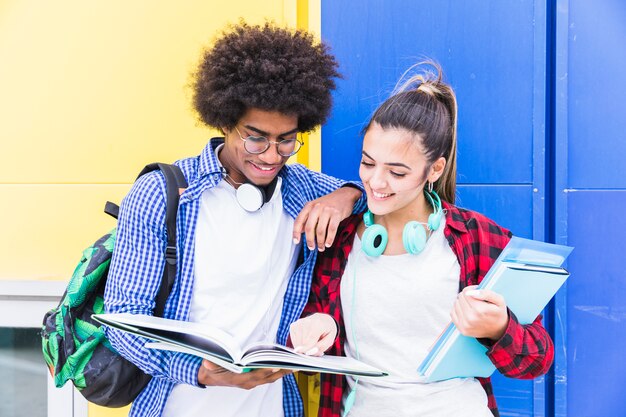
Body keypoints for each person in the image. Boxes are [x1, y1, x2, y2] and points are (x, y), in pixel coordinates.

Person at [104, 22, 366, 417]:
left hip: (274, 406)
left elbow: (373, 196)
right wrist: (204, 372)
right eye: (255, 137)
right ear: (225, 120)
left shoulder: (303, 189)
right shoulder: (163, 194)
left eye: (287, 140)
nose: (271, 155)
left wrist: (347, 196)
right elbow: (122, 322)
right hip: (176, 405)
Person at [289, 62, 554, 417]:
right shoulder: (339, 240)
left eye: (397, 172)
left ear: (435, 170)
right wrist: (318, 328)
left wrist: (500, 327)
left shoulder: (477, 238)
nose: (377, 182)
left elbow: (537, 359)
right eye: (368, 163)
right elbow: (320, 334)